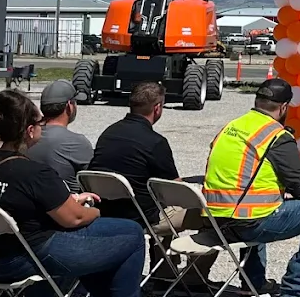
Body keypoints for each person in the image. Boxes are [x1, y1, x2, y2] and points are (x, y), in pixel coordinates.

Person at [0, 89, 179, 297]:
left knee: (87, 246)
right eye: (39, 123)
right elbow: (75, 219)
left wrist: (67, 202)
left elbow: (16, 203)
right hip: (28, 257)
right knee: (130, 234)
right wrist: (97, 209)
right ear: (30, 130)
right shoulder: (33, 171)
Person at [203, 78, 300, 297]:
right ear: (284, 107)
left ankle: (253, 282)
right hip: (246, 221)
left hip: (215, 218)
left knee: (258, 204)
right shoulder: (276, 135)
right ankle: (297, 290)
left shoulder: (232, 126)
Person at [89, 80, 215, 285]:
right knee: (213, 215)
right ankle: (195, 277)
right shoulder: (155, 142)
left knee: (157, 204)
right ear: (157, 108)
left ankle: (164, 274)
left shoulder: (108, 133)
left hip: (109, 211)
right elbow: (173, 189)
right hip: (142, 218)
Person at [26, 80, 93, 192]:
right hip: (67, 204)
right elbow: (92, 180)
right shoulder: (77, 142)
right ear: (69, 107)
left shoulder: (27, 136)